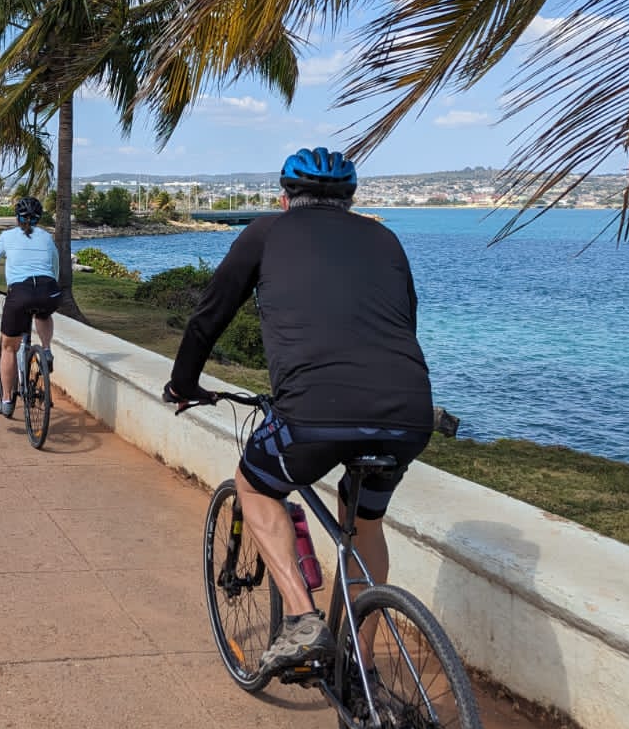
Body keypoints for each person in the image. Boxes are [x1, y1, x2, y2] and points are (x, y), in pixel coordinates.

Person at [164, 147, 433, 674]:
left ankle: (302, 620)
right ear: (350, 201)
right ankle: (359, 660)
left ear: (285, 199)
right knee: (365, 527)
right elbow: (405, 323)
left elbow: (208, 317)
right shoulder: (385, 238)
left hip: (313, 417)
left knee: (255, 484)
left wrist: (184, 384)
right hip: (406, 415)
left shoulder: (265, 233)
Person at [0, 196, 59, 418]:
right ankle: (46, 350)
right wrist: (52, 287)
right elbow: (55, 265)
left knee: (9, 348)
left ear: (17, 217)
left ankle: (7, 400)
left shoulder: (7, 236)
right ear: (39, 218)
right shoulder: (47, 238)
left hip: (19, 294)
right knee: (43, 313)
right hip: (48, 290)